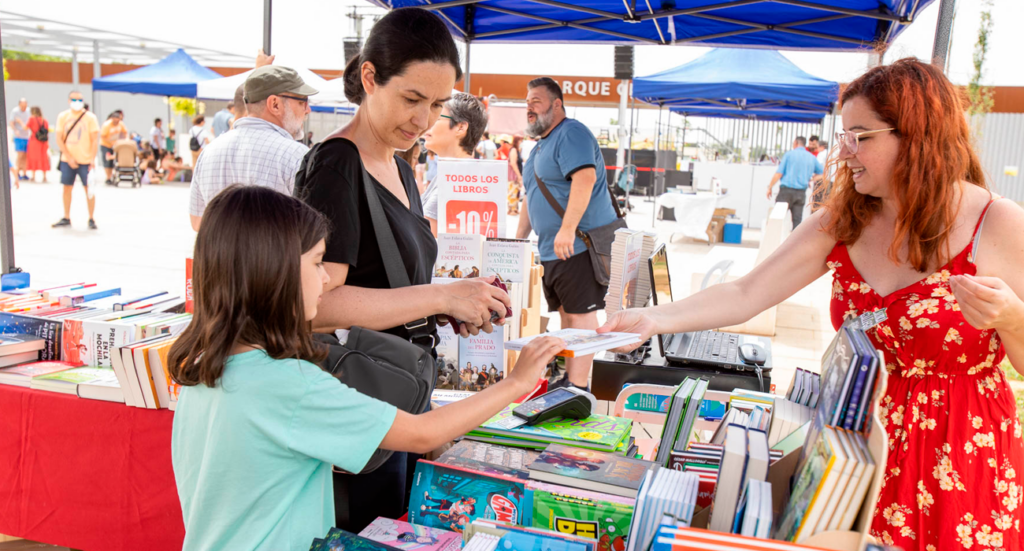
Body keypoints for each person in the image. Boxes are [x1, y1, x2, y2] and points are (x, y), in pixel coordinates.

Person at [599, 58, 1024, 551]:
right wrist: (651, 319)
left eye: (860, 136)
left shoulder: (997, 223)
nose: (843, 153)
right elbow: (745, 293)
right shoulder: (842, 220)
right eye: (843, 135)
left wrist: (1012, 319)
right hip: (855, 446)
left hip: (961, 452)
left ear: (917, 135)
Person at [170, 184, 564, 551]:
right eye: (318, 263)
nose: (326, 281)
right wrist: (517, 381)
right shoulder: (290, 385)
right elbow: (422, 433)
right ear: (272, 274)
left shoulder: (205, 367)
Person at [293, 8, 511, 530]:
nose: (422, 119)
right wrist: (439, 298)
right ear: (370, 78)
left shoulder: (399, 163)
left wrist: (451, 304)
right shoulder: (335, 166)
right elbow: (317, 304)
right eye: (412, 99)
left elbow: (392, 284)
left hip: (402, 390)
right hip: (362, 396)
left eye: (436, 105)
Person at [516, 76, 619, 391]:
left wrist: (567, 229)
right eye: (527, 103)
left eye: (536, 101)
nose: (529, 108)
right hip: (553, 250)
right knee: (566, 315)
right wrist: (517, 242)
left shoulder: (571, 133)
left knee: (581, 316)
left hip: (577, 246)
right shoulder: (538, 149)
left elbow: (585, 178)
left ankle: (578, 385)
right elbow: (530, 199)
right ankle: (571, 380)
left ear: (557, 104)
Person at [189, 66, 317, 232]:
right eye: (302, 102)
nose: (308, 110)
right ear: (275, 104)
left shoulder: (210, 151)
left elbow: (198, 222)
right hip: (276, 258)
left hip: (219, 257)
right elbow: (313, 231)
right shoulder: (297, 155)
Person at [420, 93, 488, 236]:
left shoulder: (456, 180)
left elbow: (424, 240)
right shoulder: (458, 174)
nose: (426, 122)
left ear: (461, 128)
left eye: (437, 117)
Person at [52, 90, 100, 229]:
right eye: (74, 100)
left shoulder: (90, 117)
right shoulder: (63, 116)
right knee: (67, 188)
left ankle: (91, 218)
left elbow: (94, 140)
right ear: (69, 100)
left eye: (80, 100)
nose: (77, 103)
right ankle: (66, 216)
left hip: (85, 160)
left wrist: (92, 159)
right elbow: (59, 139)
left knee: (89, 189)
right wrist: (68, 156)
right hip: (67, 159)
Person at [765, 136, 822, 228]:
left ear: (795, 143)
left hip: (786, 192)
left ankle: (774, 240)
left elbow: (779, 173)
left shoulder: (789, 155)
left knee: (777, 218)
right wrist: (810, 179)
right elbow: (824, 173)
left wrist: (770, 187)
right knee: (797, 221)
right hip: (800, 193)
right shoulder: (811, 157)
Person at [99, 110, 127, 185]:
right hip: (106, 145)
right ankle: (108, 177)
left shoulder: (120, 124)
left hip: (115, 145)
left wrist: (124, 140)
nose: (117, 122)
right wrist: (110, 143)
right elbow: (103, 136)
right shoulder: (106, 125)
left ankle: (111, 176)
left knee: (113, 161)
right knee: (107, 161)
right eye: (115, 121)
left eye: (118, 121)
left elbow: (125, 132)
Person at [25, 106, 50, 182]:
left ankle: (33, 176)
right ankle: (44, 177)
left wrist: (19, 122)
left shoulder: (31, 119)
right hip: (43, 141)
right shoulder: (44, 120)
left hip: (34, 140)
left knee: (33, 157)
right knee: (43, 157)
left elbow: (25, 128)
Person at [9, 98, 30, 181]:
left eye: (25, 106)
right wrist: (15, 130)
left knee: (25, 155)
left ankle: (24, 173)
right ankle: (17, 172)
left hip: (26, 136)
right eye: (22, 106)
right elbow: (11, 122)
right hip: (19, 136)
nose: (24, 108)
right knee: (20, 155)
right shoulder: (15, 111)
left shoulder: (28, 111)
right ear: (19, 105)